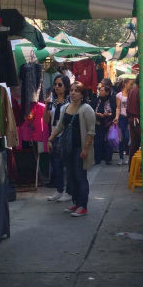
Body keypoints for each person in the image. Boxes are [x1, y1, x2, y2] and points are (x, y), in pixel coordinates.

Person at [48, 82, 95, 217]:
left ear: (82, 94)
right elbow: (60, 126)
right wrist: (50, 138)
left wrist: (85, 149)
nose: (73, 93)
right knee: (71, 176)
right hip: (68, 148)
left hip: (80, 148)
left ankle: (83, 206)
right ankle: (76, 202)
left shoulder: (87, 109)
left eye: (77, 91)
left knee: (80, 176)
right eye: (72, 90)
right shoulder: (66, 108)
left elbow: (91, 132)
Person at [45, 74, 71, 201]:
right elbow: (46, 120)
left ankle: (69, 191)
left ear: (65, 87)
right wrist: (46, 106)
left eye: (59, 84)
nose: (56, 87)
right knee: (56, 164)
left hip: (65, 135)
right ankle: (59, 190)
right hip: (53, 135)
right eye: (55, 84)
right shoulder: (52, 102)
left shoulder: (69, 101)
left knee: (67, 164)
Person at [93, 81, 115, 165]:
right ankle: (97, 159)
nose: (100, 92)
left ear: (107, 92)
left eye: (102, 90)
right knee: (97, 141)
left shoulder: (111, 100)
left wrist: (108, 114)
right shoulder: (97, 100)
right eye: (100, 90)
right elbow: (91, 109)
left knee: (108, 141)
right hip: (98, 123)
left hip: (108, 123)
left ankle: (108, 158)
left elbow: (114, 111)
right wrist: (97, 114)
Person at [114, 77, 132, 165]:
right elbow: (118, 107)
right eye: (130, 84)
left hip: (129, 118)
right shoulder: (119, 95)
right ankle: (121, 157)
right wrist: (117, 117)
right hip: (122, 118)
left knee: (127, 138)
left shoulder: (131, 94)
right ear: (125, 84)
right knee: (121, 138)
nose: (131, 86)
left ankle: (127, 155)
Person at [127, 72, 141, 164]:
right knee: (136, 144)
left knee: (134, 144)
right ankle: (134, 166)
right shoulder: (139, 90)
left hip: (132, 119)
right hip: (137, 120)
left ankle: (131, 165)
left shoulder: (133, 90)